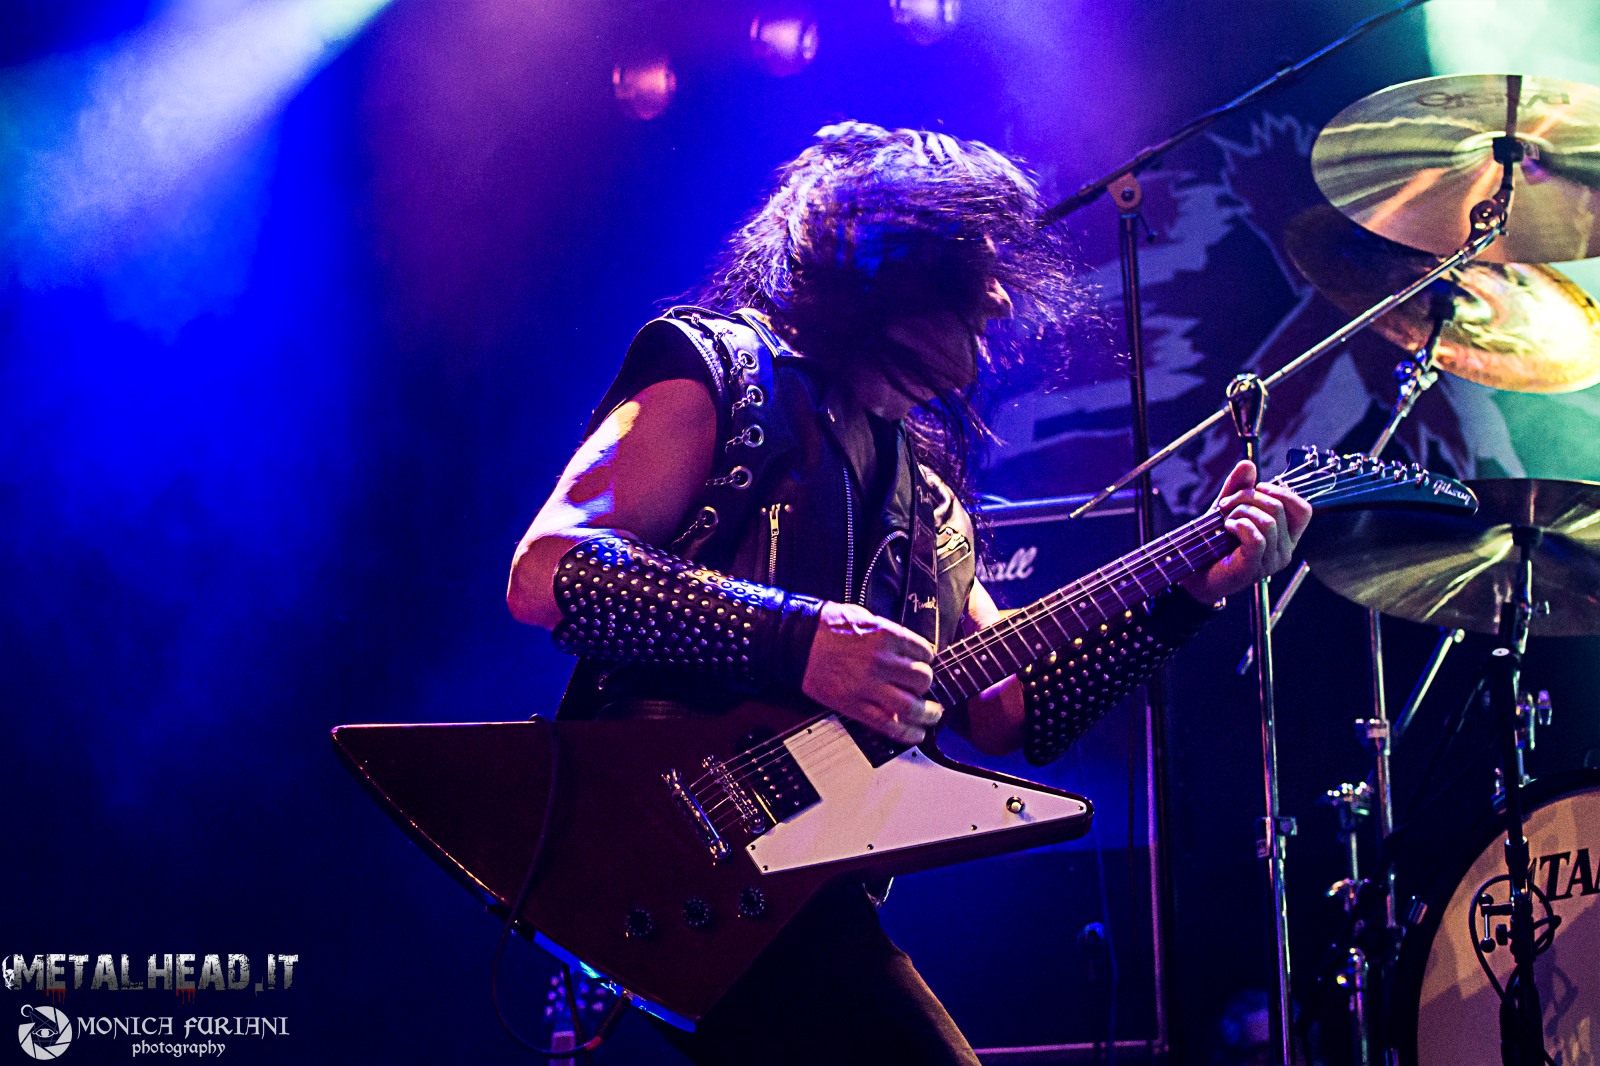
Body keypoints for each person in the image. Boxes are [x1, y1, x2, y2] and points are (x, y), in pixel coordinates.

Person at [506, 122, 1311, 1065]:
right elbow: (547, 571)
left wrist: (1189, 596)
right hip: (663, 837)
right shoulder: (720, 372)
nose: (999, 301)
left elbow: (1005, 710)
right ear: (889, 270)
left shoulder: (926, 499)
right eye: (975, 275)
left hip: (801, 886)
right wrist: (801, 640)